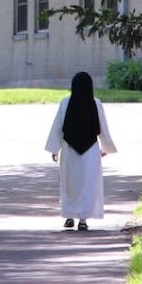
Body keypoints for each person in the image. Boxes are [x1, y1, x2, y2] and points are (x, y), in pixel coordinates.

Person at [44, 70, 117, 230]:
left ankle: (69, 216)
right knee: (87, 184)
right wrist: (105, 147)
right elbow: (102, 126)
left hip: (69, 150)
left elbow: (58, 128)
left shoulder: (65, 103)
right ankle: (83, 220)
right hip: (90, 151)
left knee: (70, 184)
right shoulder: (96, 103)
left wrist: (54, 149)